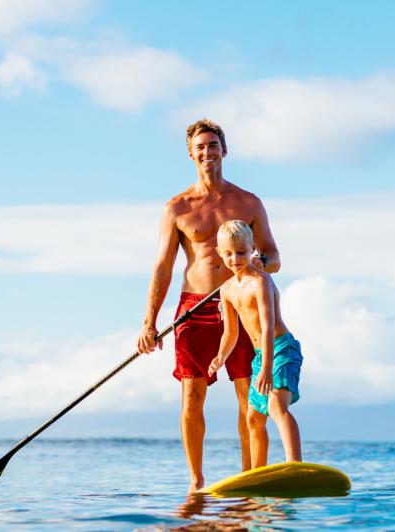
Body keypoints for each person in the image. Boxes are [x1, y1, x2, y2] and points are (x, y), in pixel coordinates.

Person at [137, 119, 280, 493]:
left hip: (241, 304)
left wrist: (258, 264)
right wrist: (149, 322)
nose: (207, 152)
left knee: (249, 392)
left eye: (213, 145)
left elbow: (274, 255)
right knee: (192, 394)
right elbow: (163, 266)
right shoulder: (177, 208)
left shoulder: (249, 202)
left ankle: (251, 476)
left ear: (224, 151)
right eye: (200, 147)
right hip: (193, 308)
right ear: (190, 154)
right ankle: (197, 481)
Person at [208, 220, 302, 468]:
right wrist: (220, 357)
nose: (235, 258)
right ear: (219, 252)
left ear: (253, 249)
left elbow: (268, 326)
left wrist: (267, 368)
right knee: (252, 418)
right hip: (261, 356)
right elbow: (231, 332)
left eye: (241, 252)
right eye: (228, 253)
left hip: (280, 349)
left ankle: (295, 465)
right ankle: (258, 473)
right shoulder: (227, 290)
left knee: (275, 406)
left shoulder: (260, 281)